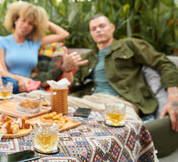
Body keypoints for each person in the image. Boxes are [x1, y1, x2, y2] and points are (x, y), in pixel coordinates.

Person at [66, 14, 178, 158]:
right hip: (88, 102)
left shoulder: (130, 45)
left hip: (119, 103)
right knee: (37, 98)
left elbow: (164, 63)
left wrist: (174, 97)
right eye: (94, 29)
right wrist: (68, 70)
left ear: (112, 28)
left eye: (102, 26)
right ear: (91, 34)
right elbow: (72, 86)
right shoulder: (87, 57)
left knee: (130, 139)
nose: (98, 30)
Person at [0, 1, 74, 93]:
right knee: (15, 85)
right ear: (15, 20)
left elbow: (64, 34)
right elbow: (0, 71)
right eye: (23, 20)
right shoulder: (2, 41)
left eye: (31, 23)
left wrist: (42, 22)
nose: (25, 25)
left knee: (40, 91)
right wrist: (19, 78)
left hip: (26, 85)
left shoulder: (35, 43)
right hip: (7, 83)